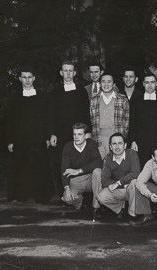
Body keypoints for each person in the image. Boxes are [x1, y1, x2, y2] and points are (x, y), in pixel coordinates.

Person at [6, 66, 51, 204]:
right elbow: (9, 121)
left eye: (29, 77)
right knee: (21, 166)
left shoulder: (42, 97)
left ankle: (41, 196)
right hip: (20, 138)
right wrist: (9, 141)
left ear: (34, 78)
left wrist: (48, 137)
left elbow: (48, 118)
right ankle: (21, 196)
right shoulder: (14, 98)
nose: (27, 80)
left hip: (38, 138)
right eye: (24, 77)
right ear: (20, 79)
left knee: (40, 166)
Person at [49, 60, 91, 198]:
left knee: (81, 161)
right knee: (62, 163)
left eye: (70, 71)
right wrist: (52, 134)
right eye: (65, 71)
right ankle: (65, 194)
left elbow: (86, 113)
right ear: (61, 73)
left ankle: (82, 194)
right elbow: (52, 114)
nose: (68, 74)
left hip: (79, 133)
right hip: (61, 134)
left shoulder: (81, 91)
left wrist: (88, 132)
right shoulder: (55, 92)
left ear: (74, 73)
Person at [129, 72, 157, 167]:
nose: (150, 85)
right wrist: (133, 141)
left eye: (152, 82)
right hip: (141, 142)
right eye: (147, 82)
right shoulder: (136, 101)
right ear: (143, 83)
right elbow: (132, 123)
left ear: (156, 83)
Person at [97, 133, 140, 217]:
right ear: (110, 147)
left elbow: (135, 173)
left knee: (134, 183)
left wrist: (118, 183)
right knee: (101, 197)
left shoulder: (132, 154)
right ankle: (119, 208)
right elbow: (105, 181)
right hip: (119, 189)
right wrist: (122, 185)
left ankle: (132, 214)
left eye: (120, 143)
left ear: (125, 145)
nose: (117, 147)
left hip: (131, 190)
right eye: (114, 144)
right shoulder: (107, 158)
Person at [61, 123, 102, 211]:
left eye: (79, 134)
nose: (76, 137)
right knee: (67, 198)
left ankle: (96, 207)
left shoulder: (91, 144)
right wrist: (67, 188)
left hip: (90, 179)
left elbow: (98, 162)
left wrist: (79, 171)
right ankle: (79, 202)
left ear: (86, 135)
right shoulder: (68, 147)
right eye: (74, 134)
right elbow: (64, 171)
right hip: (76, 181)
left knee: (98, 171)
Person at [90, 72, 130, 159]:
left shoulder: (122, 99)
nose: (106, 84)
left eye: (109, 82)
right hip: (100, 140)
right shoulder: (94, 100)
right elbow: (92, 121)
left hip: (116, 139)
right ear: (100, 84)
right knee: (102, 167)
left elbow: (126, 122)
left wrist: (120, 139)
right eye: (103, 82)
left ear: (114, 84)